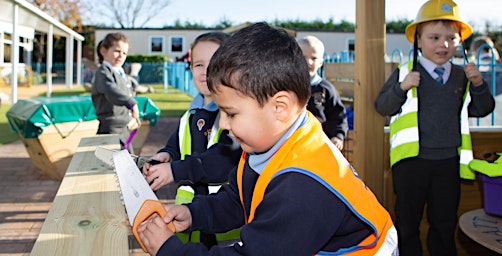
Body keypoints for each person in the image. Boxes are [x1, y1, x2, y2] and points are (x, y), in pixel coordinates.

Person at [137, 22, 398, 256]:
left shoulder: (302, 186)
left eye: (231, 113)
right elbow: (238, 199)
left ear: (280, 108)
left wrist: (169, 250)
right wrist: (195, 214)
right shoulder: (271, 141)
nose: (224, 125)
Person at [374, 0, 495, 255]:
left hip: (447, 164)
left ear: (460, 41)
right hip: (411, 164)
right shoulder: (405, 72)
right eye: (435, 37)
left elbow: (482, 109)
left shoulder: (464, 76)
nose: (443, 45)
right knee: (407, 225)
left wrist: (480, 84)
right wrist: (402, 87)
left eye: (452, 38)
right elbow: (383, 106)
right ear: (418, 41)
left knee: (444, 224)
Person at [142, 31, 242, 248]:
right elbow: (177, 144)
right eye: (198, 64)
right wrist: (167, 155)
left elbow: (221, 162)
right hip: (193, 211)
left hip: (223, 218)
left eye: (214, 63)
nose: (206, 71)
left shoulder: (234, 114)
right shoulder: (191, 114)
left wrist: (175, 171)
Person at [297, 35, 349, 151]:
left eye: (314, 58)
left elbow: (338, 115)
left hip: (319, 147)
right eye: (303, 57)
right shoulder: (286, 87)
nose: (308, 62)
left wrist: (338, 136)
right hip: (291, 146)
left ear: (321, 62)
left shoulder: (326, 89)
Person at [91, 33, 139, 153]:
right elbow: (111, 90)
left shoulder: (120, 73)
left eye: (124, 53)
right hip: (110, 128)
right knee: (113, 166)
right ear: (103, 51)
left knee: (129, 163)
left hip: (123, 128)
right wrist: (131, 103)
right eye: (117, 51)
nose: (120, 56)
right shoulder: (103, 72)